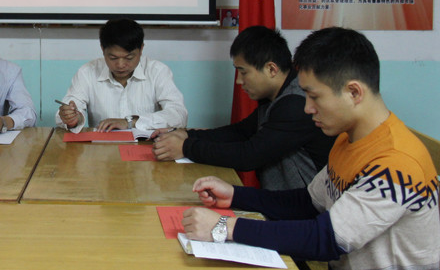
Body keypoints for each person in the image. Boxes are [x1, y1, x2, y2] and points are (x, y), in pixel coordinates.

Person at [182, 27, 439, 269]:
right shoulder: (348, 139)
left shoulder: (395, 162)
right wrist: (236, 195)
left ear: (353, 92)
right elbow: (309, 202)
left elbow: (324, 238)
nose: (307, 108)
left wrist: (225, 227)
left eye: (314, 97)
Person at [153, 26, 335, 190]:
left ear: (271, 69)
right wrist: (185, 134)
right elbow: (240, 132)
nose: (239, 81)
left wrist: (186, 147)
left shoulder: (295, 104)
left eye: (243, 72)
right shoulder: (276, 96)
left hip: (305, 208)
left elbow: (249, 155)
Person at [56, 18, 187, 132]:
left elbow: (178, 115)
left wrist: (131, 122)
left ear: (141, 49)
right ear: (102, 49)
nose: (120, 65)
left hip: (148, 145)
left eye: (129, 58)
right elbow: (69, 108)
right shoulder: (87, 72)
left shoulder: (157, 71)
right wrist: (72, 119)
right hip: (101, 148)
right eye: (113, 58)